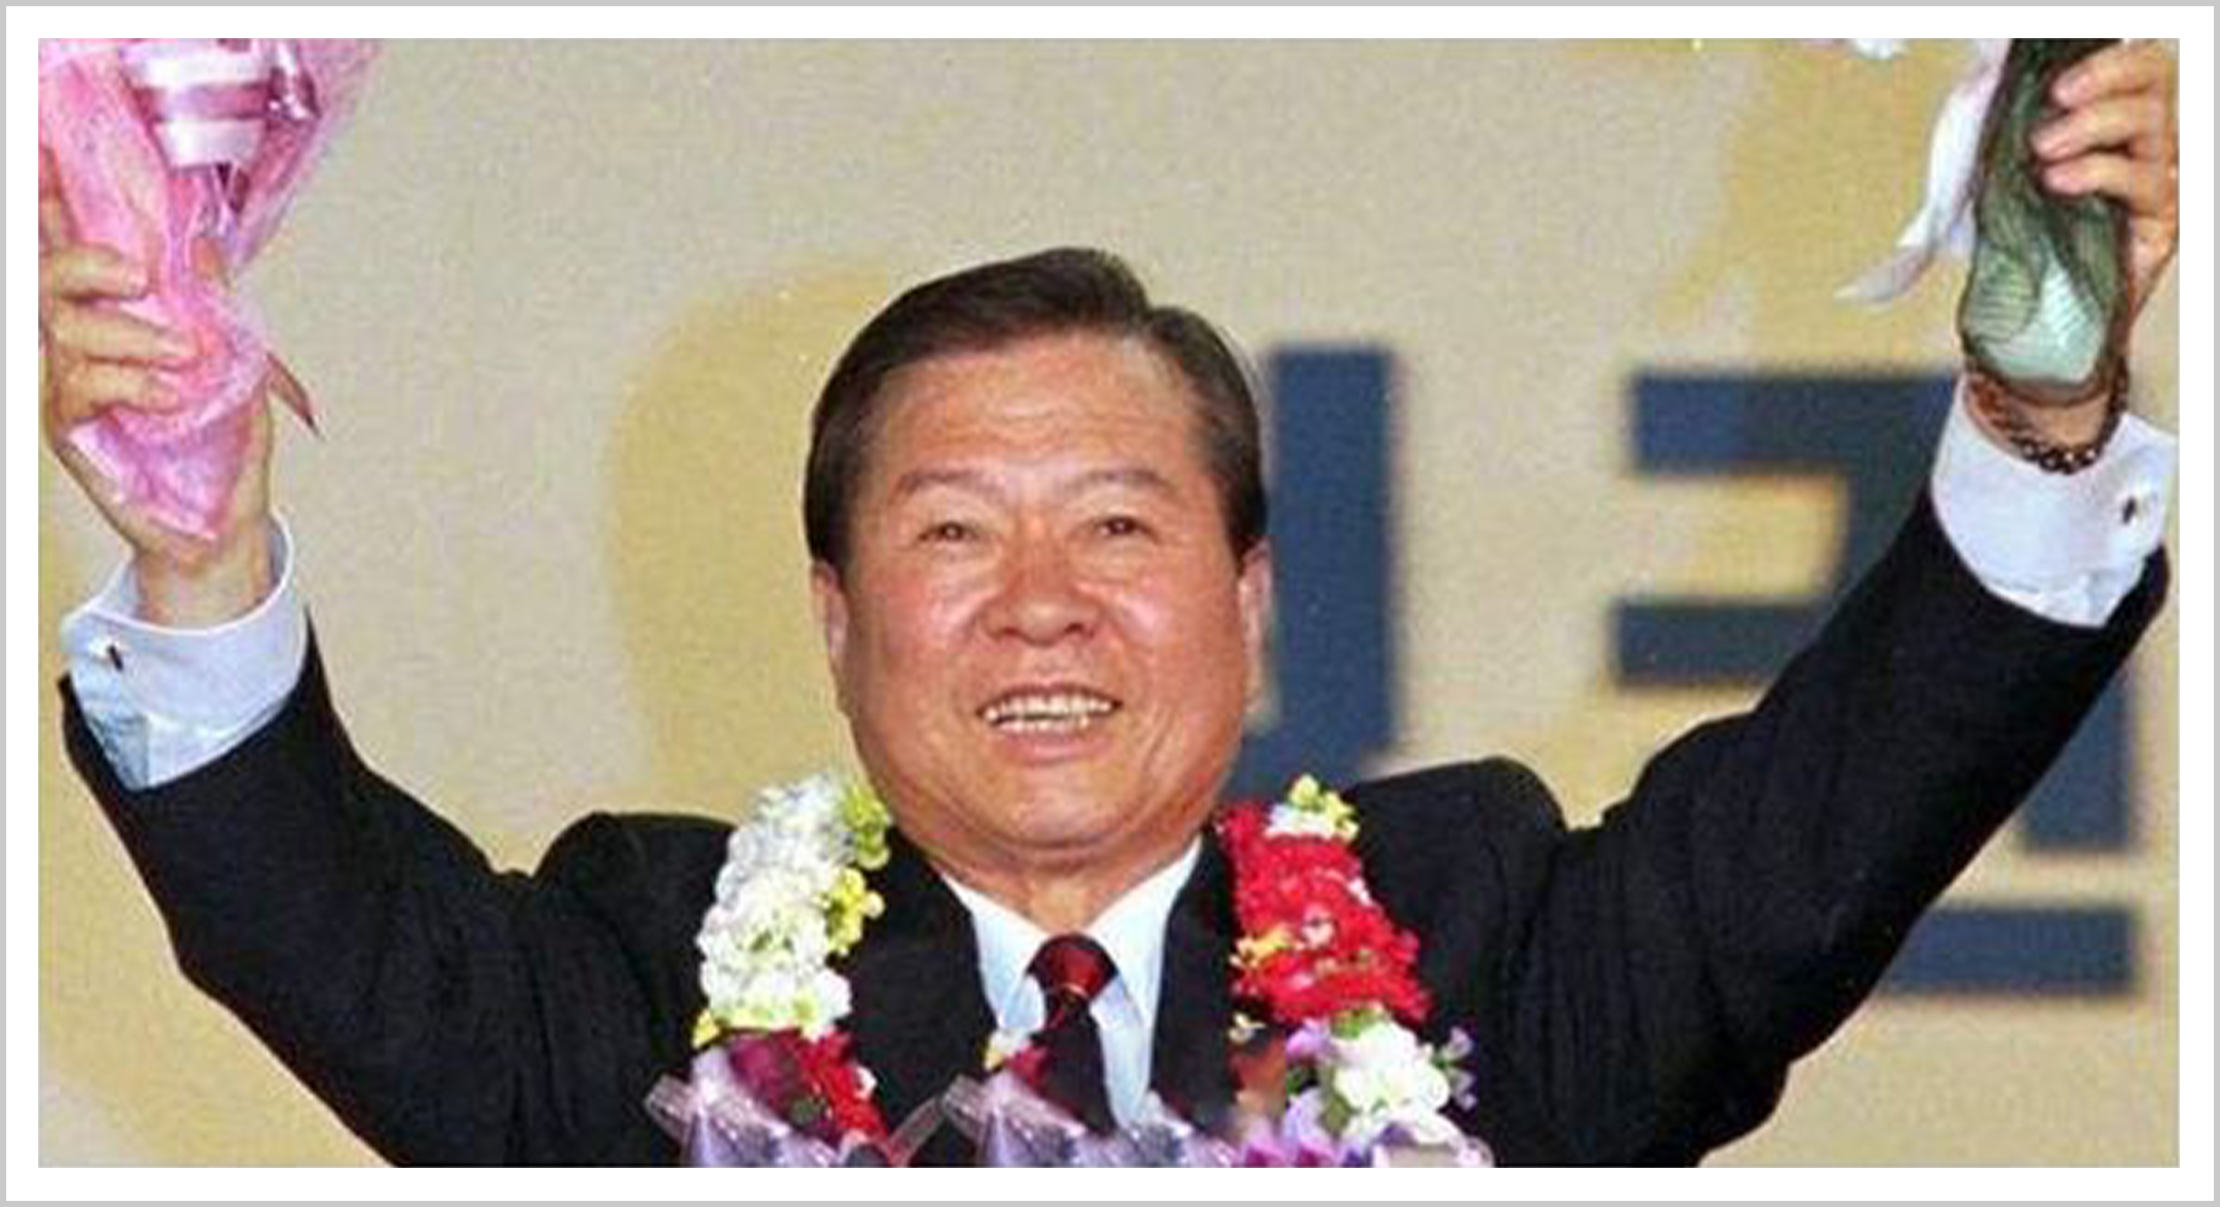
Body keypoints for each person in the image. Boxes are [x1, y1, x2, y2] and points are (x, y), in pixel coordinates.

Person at [41, 43, 2179, 1165]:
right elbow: (327, 932)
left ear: (1253, 596)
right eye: (954, 535)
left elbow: (1829, 826)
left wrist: (2045, 403)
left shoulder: (1482, 940)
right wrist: (197, 545)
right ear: (836, 619)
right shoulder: (659, 980)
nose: (1042, 608)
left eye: (1123, 528)